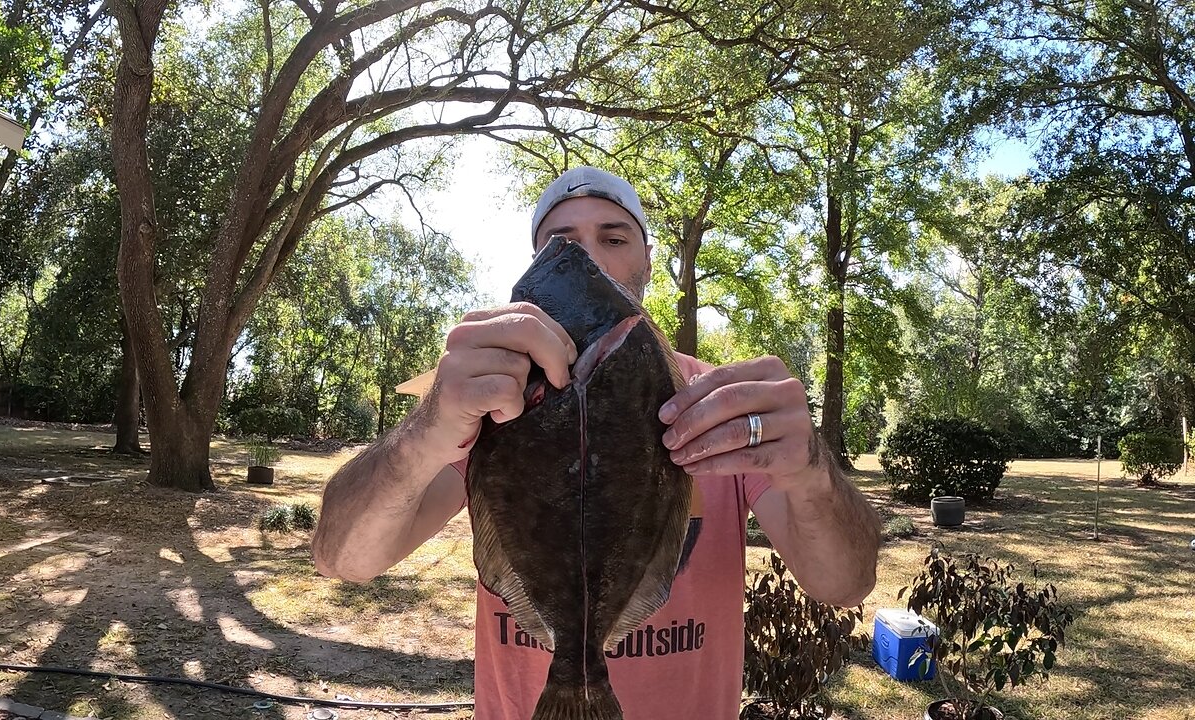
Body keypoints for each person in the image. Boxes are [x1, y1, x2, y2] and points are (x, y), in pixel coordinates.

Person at [312, 167, 883, 719]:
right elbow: (341, 560)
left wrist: (810, 470)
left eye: (613, 237)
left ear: (648, 263)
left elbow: (846, 584)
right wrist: (424, 432)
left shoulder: (720, 409)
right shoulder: (478, 407)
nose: (587, 256)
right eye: (562, 243)